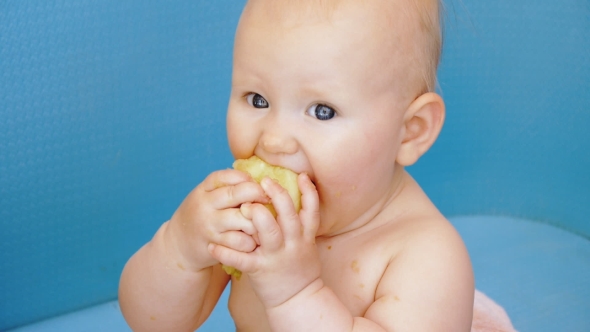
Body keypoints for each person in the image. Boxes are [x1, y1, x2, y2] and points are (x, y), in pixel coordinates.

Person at [119, 0, 515, 331]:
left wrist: (296, 294)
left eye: (322, 111)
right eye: (257, 99)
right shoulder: (251, 220)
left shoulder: (427, 259)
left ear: (410, 132)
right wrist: (180, 247)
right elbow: (151, 322)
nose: (274, 139)